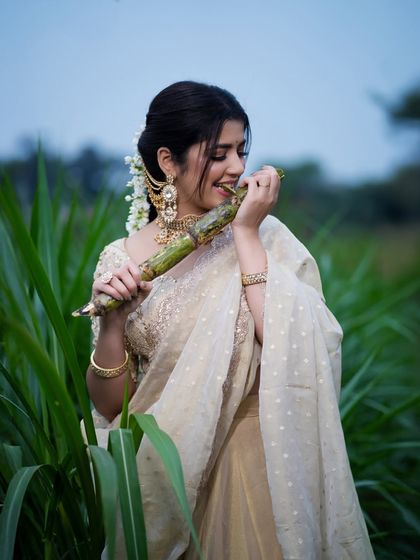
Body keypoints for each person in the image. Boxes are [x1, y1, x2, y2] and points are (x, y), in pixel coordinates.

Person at [85, 81, 375, 559]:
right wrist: (113, 325)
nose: (238, 168)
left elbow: (294, 348)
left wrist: (244, 232)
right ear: (166, 161)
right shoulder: (121, 259)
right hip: (167, 476)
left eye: (242, 151)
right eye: (219, 154)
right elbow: (114, 406)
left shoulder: (267, 237)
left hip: (258, 472)